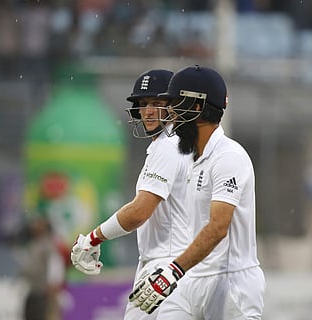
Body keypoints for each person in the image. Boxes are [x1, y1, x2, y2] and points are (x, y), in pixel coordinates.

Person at [129, 65, 266, 319]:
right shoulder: (191, 158)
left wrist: (172, 271)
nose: (169, 113)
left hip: (232, 284)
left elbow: (218, 227)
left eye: (175, 104)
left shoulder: (229, 157)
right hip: (193, 279)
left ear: (196, 108)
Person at [70, 69, 192, 319]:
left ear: (176, 106)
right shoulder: (179, 144)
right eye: (144, 104)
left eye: (158, 103)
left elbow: (139, 212)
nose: (148, 111)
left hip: (166, 266)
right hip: (177, 266)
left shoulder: (169, 147)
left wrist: (94, 238)